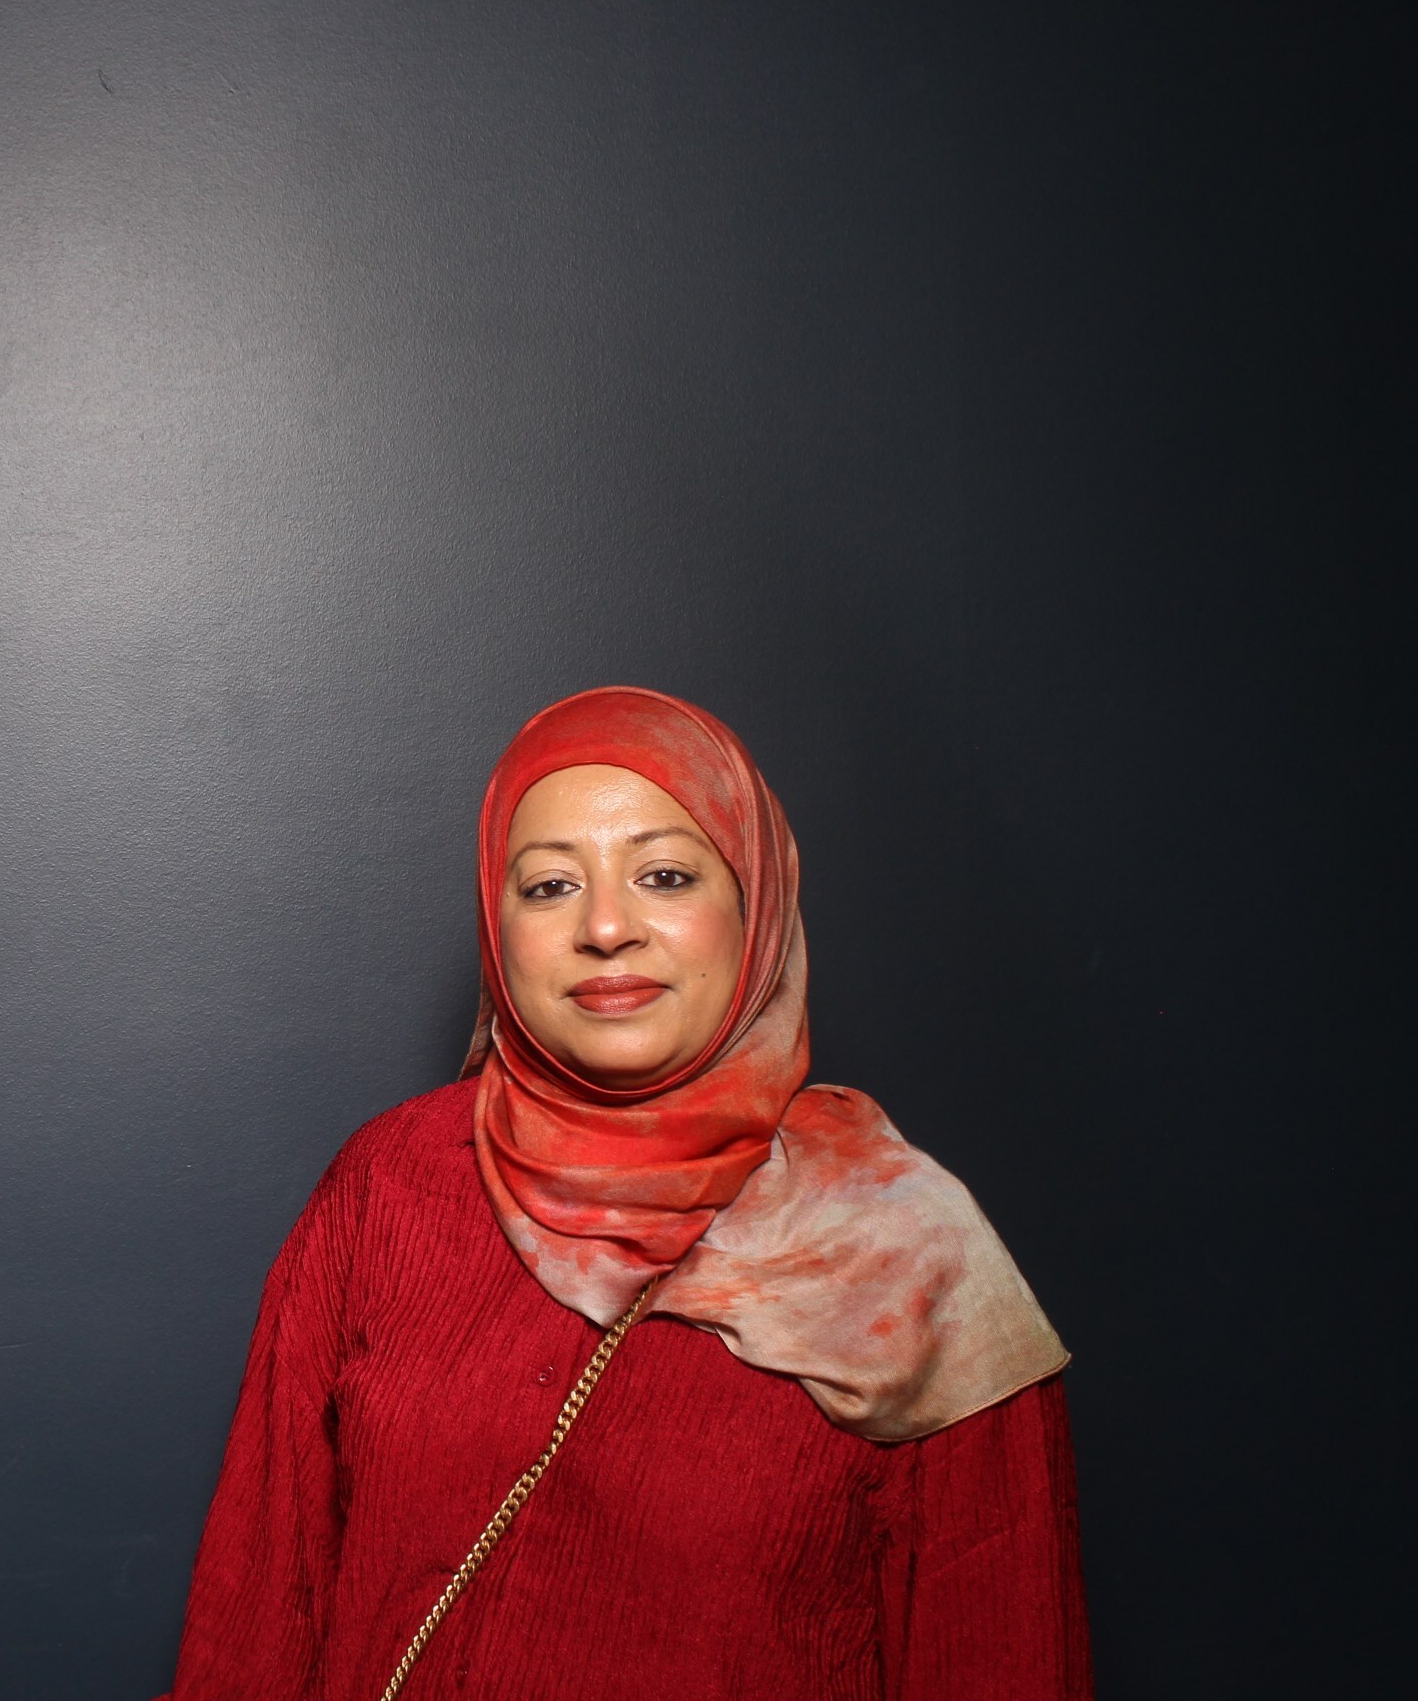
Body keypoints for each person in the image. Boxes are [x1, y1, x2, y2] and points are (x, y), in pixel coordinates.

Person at [160, 687, 1088, 1701]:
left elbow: (1002, 1655)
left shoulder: (911, 1256)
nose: (605, 927)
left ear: (756, 906)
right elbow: (258, 1611)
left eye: (665, 875)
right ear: (498, 925)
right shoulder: (388, 1183)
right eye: (550, 885)